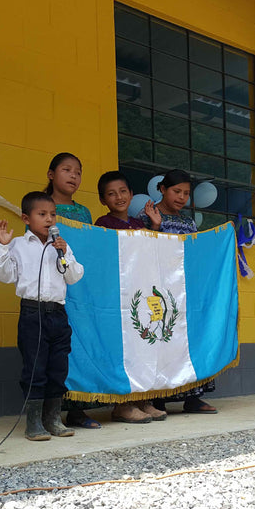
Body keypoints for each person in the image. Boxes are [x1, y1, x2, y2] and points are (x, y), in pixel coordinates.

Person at [0, 192, 84, 440]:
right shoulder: (18, 245)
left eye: (52, 215)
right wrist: (2, 246)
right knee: (35, 368)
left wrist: (64, 253)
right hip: (33, 313)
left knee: (58, 368)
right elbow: (5, 276)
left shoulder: (60, 246)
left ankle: (52, 418)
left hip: (58, 314)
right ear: (26, 218)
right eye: (42, 214)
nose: (49, 219)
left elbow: (73, 276)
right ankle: (33, 422)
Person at [139, 170, 218, 412]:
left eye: (186, 193)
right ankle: (159, 398)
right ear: (162, 189)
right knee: (164, 339)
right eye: (176, 191)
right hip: (159, 290)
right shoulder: (147, 216)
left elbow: (193, 254)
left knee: (190, 341)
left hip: (184, 289)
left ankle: (192, 397)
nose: (182, 197)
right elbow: (141, 249)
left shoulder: (188, 222)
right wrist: (155, 225)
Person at [92, 171, 167, 423]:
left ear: (131, 194)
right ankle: (122, 404)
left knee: (140, 348)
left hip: (139, 293)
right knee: (122, 350)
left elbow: (150, 256)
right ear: (103, 200)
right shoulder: (103, 223)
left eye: (123, 191)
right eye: (111, 194)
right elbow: (103, 258)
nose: (119, 197)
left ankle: (141, 400)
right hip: (118, 295)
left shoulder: (138, 225)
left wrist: (155, 227)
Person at [42, 152, 101, 429]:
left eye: (78, 171)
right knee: (53, 352)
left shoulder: (84, 212)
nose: (73, 176)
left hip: (78, 287)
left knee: (79, 344)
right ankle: (50, 411)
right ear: (51, 174)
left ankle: (78, 410)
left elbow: (88, 249)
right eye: (67, 170)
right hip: (50, 288)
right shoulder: (44, 207)